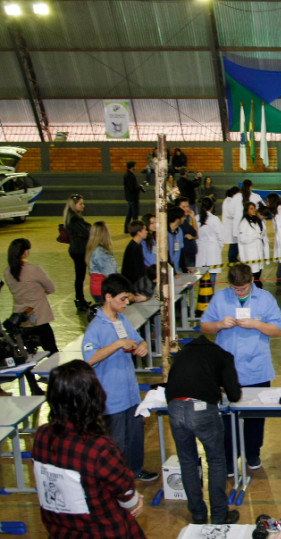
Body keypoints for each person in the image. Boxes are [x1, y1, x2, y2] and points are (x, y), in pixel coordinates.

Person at [32, 360, 146, 538]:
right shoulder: (98, 447)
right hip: (102, 532)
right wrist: (134, 501)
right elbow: (126, 495)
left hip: (61, 531)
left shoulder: (41, 436)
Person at [200, 263, 281, 472]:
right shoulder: (220, 298)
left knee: (255, 416)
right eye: (236, 289)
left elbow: (277, 330)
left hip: (257, 367)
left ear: (251, 281)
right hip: (226, 370)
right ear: (230, 285)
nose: (240, 292)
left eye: (244, 288)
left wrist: (257, 324)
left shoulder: (265, 299)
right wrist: (220, 324)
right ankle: (229, 458)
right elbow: (205, 326)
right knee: (226, 417)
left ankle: (253, 453)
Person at [82, 274, 158, 481]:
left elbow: (138, 340)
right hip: (111, 397)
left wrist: (141, 346)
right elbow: (89, 359)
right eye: (122, 299)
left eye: (127, 299)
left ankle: (135, 469)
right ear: (108, 297)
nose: (126, 303)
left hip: (131, 394)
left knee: (135, 436)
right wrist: (116, 345)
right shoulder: (95, 328)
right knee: (116, 442)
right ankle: (116, 479)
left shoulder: (122, 320)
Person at [166, 336, 242, 525]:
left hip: (175, 408)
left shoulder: (183, 355)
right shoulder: (223, 355)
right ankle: (219, 515)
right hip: (202, 410)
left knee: (188, 461)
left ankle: (198, 513)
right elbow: (235, 395)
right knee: (216, 460)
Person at [4, 238, 55, 395]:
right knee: (53, 352)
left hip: (20, 319)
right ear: (25, 252)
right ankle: (55, 385)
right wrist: (40, 291)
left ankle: (34, 386)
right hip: (38, 317)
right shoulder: (34, 269)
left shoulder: (8, 272)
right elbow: (51, 287)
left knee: (23, 356)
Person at [63, 193, 92, 311]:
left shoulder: (73, 217)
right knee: (80, 277)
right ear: (74, 205)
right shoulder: (74, 219)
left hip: (77, 249)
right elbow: (87, 232)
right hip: (78, 250)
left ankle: (80, 299)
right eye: (81, 204)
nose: (83, 206)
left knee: (80, 276)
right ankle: (80, 299)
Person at [237, 201, 269, 287]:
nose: (254, 210)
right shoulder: (244, 223)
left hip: (258, 253)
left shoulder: (257, 221)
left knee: (258, 274)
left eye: (254, 208)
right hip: (250, 254)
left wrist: (261, 235)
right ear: (246, 210)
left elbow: (261, 234)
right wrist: (256, 236)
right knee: (253, 277)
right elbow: (242, 239)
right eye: (251, 209)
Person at [87, 222, 118, 304]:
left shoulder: (93, 250)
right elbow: (110, 274)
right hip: (103, 289)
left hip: (96, 288)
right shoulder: (101, 253)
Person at [121, 220, 148, 287]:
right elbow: (135, 270)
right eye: (144, 229)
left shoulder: (137, 245)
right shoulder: (133, 248)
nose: (146, 231)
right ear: (139, 232)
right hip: (133, 284)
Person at [123, 161, 143, 234]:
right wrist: (139, 187)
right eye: (135, 166)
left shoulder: (128, 175)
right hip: (133, 197)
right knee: (134, 215)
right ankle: (135, 230)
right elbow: (132, 187)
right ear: (132, 167)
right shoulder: (130, 176)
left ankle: (126, 229)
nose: (135, 167)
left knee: (130, 214)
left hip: (130, 197)